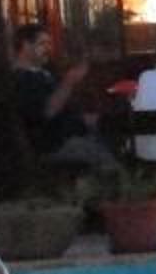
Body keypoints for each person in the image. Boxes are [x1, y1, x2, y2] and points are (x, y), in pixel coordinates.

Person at [8, 20, 100, 165]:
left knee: (114, 128)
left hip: (73, 132)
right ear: (26, 46)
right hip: (55, 146)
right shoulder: (20, 78)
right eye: (43, 44)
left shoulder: (43, 71)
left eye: (49, 44)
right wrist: (69, 81)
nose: (48, 48)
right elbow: (47, 112)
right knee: (105, 155)